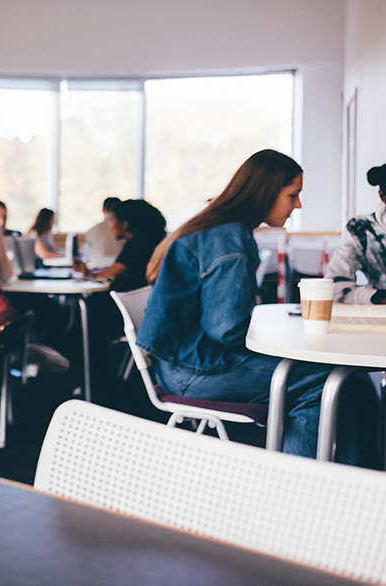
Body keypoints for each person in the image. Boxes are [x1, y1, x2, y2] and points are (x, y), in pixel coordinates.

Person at [137, 149, 378, 465]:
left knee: (347, 380)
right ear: (265, 192)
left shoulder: (221, 229)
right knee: (328, 383)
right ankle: (301, 492)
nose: (298, 204)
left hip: (184, 362)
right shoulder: (229, 236)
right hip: (194, 370)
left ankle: (348, 488)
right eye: (293, 195)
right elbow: (225, 328)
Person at [324, 163, 386, 304]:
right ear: (382, 197)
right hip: (379, 317)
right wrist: (378, 297)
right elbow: (334, 287)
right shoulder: (361, 230)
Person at [73, 199, 165, 292]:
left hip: (130, 298)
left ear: (124, 225)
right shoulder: (149, 242)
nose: (109, 225)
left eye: (112, 220)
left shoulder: (136, 246)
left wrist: (88, 273)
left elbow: (109, 275)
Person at [80, 197, 125, 268]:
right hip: (121, 267)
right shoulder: (127, 229)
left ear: (103, 210)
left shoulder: (92, 230)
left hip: (99, 267)